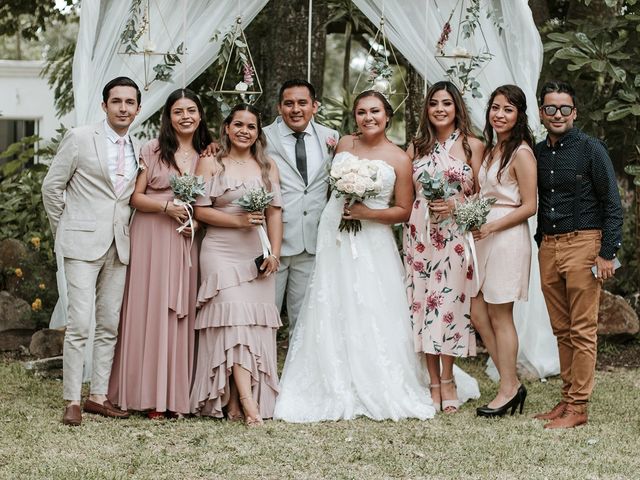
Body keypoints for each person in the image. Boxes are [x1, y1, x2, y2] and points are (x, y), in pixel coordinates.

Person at [274, 90, 436, 422]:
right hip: (334, 235)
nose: (368, 118)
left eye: (374, 111)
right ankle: (332, 375)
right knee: (332, 300)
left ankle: (375, 376)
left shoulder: (399, 158)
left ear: (388, 115)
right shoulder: (344, 144)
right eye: (361, 112)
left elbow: (404, 211)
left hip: (373, 241)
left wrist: (367, 214)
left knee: (371, 303)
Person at [41, 77, 142, 426]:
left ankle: (98, 396)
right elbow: (52, 187)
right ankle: (72, 399)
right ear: (105, 105)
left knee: (109, 324)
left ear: (138, 109)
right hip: (81, 245)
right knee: (80, 323)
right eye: (117, 102)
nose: (123, 108)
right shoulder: (81, 138)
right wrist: (65, 229)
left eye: (130, 103)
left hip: (119, 245)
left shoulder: (138, 148)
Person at [108, 89, 213, 419]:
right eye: (178, 111)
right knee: (150, 311)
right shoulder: (151, 150)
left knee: (181, 313)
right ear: (168, 117)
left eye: (191, 110)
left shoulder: (208, 154)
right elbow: (135, 198)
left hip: (187, 240)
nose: (185, 116)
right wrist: (166, 206)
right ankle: (149, 396)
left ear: (200, 115)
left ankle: (177, 397)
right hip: (152, 237)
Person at [533, 81, 623, 429]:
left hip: (584, 243)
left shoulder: (590, 149)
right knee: (562, 330)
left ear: (575, 112)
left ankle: (579, 407)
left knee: (583, 330)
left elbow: (612, 205)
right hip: (549, 247)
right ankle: (567, 398)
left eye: (565, 108)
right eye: (551, 108)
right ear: (542, 113)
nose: (558, 114)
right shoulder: (538, 152)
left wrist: (606, 253)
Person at [190, 103, 283, 426]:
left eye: (251, 126)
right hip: (220, 250)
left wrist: (275, 252)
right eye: (238, 124)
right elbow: (200, 211)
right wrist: (239, 221)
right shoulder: (211, 163)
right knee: (231, 322)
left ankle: (233, 401)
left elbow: (275, 213)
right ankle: (246, 400)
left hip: (256, 252)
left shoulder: (268, 167)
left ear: (258, 133)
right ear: (227, 127)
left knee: (250, 325)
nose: (244, 130)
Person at [404, 81, 484, 413]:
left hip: (454, 236)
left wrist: (456, 208)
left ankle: (448, 378)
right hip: (420, 237)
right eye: (434, 103)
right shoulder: (415, 147)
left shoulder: (472, 146)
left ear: (457, 109)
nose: (439, 109)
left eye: (446, 103)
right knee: (423, 306)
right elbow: (405, 197)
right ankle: (432, 382)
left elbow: (482, 199)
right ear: (427, 109)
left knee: (449, 307)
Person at [470, 85, 538, 417]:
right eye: (495, 107)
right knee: (478, 311)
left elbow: (529, 206)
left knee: (500, 314)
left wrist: (493, 226)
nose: (499, 114)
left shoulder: (521, 153)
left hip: (507, 237)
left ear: (519, 115)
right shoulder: (494, 148)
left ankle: (508, 388)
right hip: (484, 236)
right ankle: (511, 382)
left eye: (508, 109)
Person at [263, 79, 339, 336]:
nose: (296, 109)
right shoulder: (261, 137)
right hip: (272, 242)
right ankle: (262, 372)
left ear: (314, 106)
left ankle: (298, 374)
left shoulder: (331, 138)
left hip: (313, 241)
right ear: (279, 107)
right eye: (289, 103)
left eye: (302, 103)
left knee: (305, 317)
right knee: (265, 313)